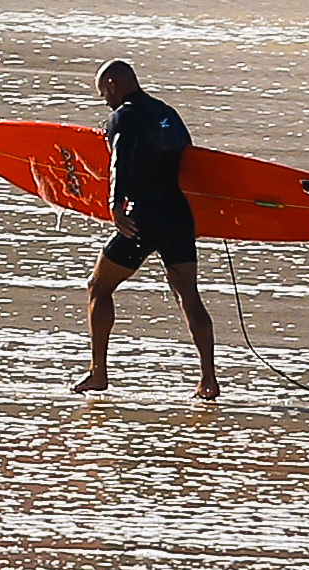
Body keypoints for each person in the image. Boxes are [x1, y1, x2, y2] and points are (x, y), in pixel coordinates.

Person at [78, 58, 219, 403]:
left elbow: (119, 159)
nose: (105, 100)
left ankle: (98, 374)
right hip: (177, 214)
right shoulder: (167, 113)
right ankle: (209, 380)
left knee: (99, 286)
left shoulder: (123, 116)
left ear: (113, 84)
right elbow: (189, 157)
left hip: (143, 217)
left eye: (103, 93)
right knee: (188, 295)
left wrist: (115, 205)